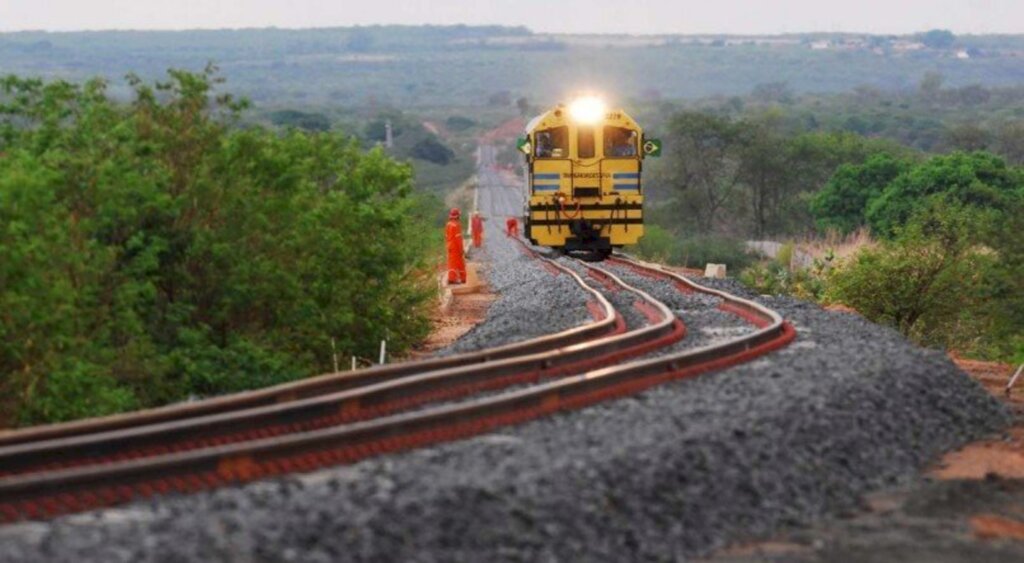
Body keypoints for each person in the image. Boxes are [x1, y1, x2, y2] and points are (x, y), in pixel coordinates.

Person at [445, 208, 467, 284]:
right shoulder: (457, 225)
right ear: (457, 216)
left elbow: (446, 237)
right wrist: (461, 249)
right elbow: (459, 239)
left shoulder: (448, 224)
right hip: (456, 247)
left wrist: (448, 246)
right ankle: (457, 279)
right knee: (459, 263)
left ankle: (454, 278)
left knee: (452, 263)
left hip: (450, 246)